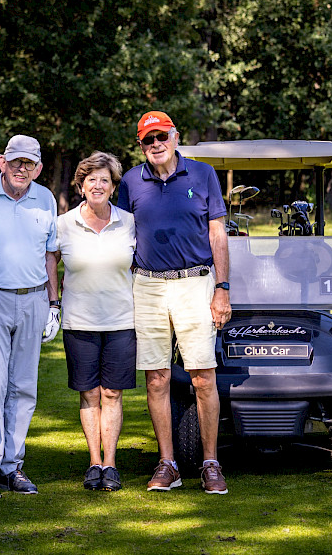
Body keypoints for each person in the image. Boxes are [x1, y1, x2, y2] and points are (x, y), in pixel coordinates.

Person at [116, 111, 232, 495]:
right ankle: (168, 463)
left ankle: (211, 463)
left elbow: (217, 233)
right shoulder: (131, 181)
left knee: (203, 376)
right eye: (148, 139)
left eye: (161, 136)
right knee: (156, 377)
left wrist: (222, 287)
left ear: (175, 137)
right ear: (141, 144)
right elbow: (120, 236)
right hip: (147, 285)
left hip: (195, 283)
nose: (156, 144)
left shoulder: (203, 175)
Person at [0, 134, 60, 499]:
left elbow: (51, 254)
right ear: (2, 162)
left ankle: (12, 466)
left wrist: (54, 303)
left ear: (37, 167)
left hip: (34, 298)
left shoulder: (45, 198)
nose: (23, 169)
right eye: (17, 161)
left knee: (23, 388)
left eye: (30, 163)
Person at [53, 152, 136, 492]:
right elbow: (49, 260)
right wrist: (52, 301)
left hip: (121, 320)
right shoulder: (64, 224)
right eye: (92, 180)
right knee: (89, 394)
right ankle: (94, 463)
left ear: (114, 186)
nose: (98, 185)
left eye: (105, 179)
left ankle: (112, 464)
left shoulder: (129, 222)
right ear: (81, 185)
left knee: (112, 393)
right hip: (79, 321)